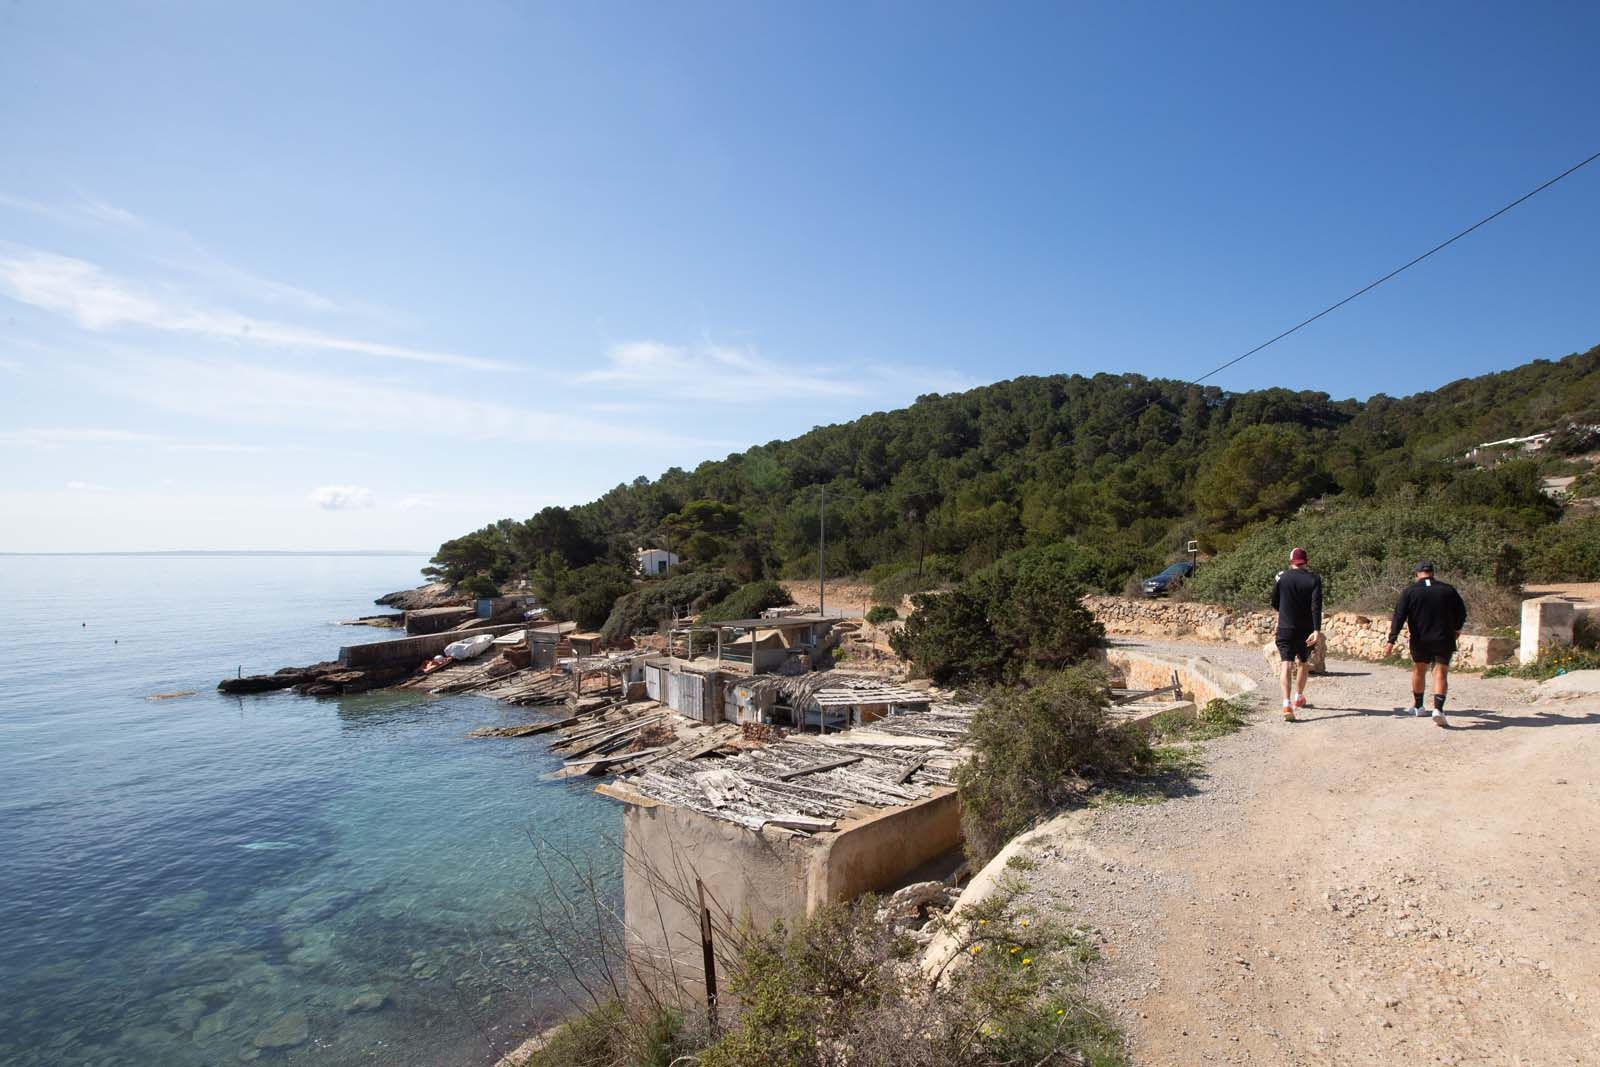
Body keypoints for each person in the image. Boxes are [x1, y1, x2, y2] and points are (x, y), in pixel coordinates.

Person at [1383, 561, 1467, 728]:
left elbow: (1399, 617)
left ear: (1417, 574)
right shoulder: (1448, 590)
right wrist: (1456, 628)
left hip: (1420, 638)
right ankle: (1438, 710)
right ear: (1432, 573)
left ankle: (1418, 706)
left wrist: (1391, 640)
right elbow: (1462, 612)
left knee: (1419, 670)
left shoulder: (1410, 592)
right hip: (1444, 637)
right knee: (1440, 673)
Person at [1271, 547, 1323, 721]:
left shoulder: (1282, 579)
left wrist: (1286, 610)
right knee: (1303, 662)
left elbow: (1275, 602)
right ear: (1305, 561)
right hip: (1306, 629)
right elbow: (1316, 606)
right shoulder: (1314, 580)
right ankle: (1298, 696)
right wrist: (1316, 630)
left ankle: (1286, 704)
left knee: (1286, 663)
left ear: (1291, 561)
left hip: (1285, 627)